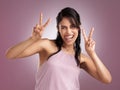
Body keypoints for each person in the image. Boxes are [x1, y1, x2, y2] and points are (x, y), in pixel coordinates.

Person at [6, 7, 112, 90]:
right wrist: (32, 39)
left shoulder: (80, 57)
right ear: (58, 29)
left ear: (78, 28)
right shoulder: (46, 45)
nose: (68, 32)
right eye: (64, 27)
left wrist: (92, 53)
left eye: (72, 26)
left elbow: (107, 79)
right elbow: (9, 55)